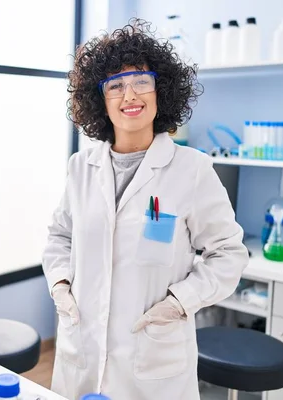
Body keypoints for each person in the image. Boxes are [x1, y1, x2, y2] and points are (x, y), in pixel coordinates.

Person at [42, 19, 249, 400]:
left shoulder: (192, 169)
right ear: (99, 99)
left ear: (161, 91)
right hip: (81, 353)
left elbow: (229, 254)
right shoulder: (79, 167)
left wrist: (179, 302)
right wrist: (59, 285)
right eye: (115, 85)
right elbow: (59, 237)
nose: (129, 95)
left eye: (142, 81)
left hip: (152, 363)